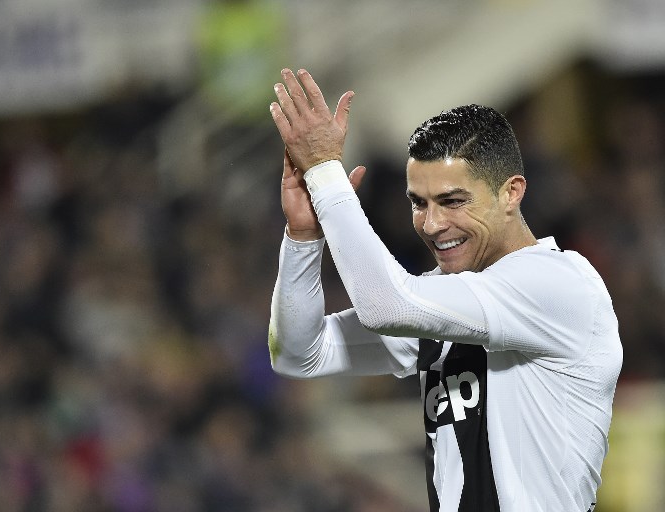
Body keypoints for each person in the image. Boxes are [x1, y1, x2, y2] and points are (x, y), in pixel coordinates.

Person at [267, 68, 622, 512]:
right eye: (419, 203)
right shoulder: (440, 302)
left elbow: (386, 305)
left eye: (453, 201)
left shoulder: (558, 285)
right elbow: (299, 353)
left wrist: (325, 176)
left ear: (511, 193)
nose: (432, 225)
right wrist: (303, 238)